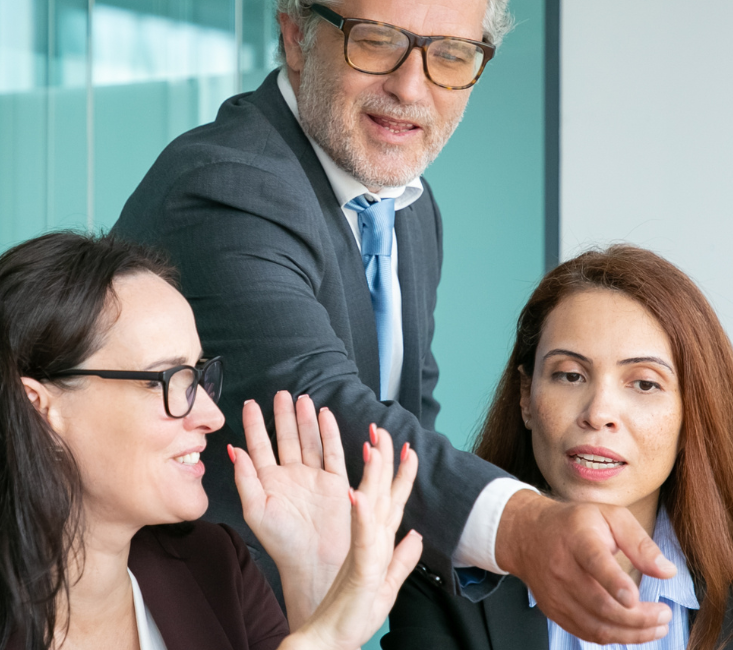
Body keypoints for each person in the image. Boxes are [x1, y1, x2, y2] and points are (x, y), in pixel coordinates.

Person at [111, 0, 674, 643]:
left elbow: (408, 416)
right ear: (296, 36)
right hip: (190, 616)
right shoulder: (229, 183)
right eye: (377, 42)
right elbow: (318, 399)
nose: (411, 87)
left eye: (451, 56)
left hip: (321, 617)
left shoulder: (407, 203)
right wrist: (522, 528)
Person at [0, 232, 423, 650]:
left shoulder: (214, 567)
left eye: (200, 376)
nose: (207, 413)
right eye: (170, 380)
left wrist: (313, 595)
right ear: (41, 405)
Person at [382, 245, 733, 650]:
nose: (598, 413)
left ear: (693, 415)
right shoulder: (442, 576)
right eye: (570, 376)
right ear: (526, 396)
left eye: (644, 383)